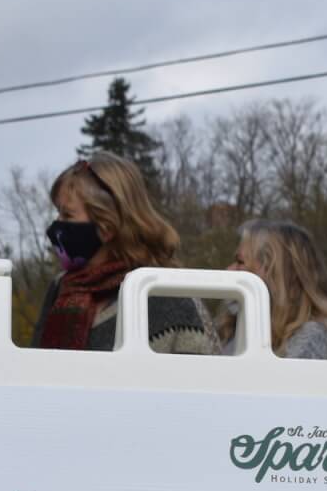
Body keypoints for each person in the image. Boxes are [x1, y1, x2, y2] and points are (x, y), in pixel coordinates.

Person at [32, 152, 219, 355]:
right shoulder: (61, 288)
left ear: (107, 227)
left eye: (67, 214)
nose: (56, 226)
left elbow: (204, 379)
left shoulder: (169, 294)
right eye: (57, 213)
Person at [226, 219, 327, 359]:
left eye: (240, 262)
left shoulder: (312, 338)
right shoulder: (241, 329)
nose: (229, 269)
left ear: (275, 274)